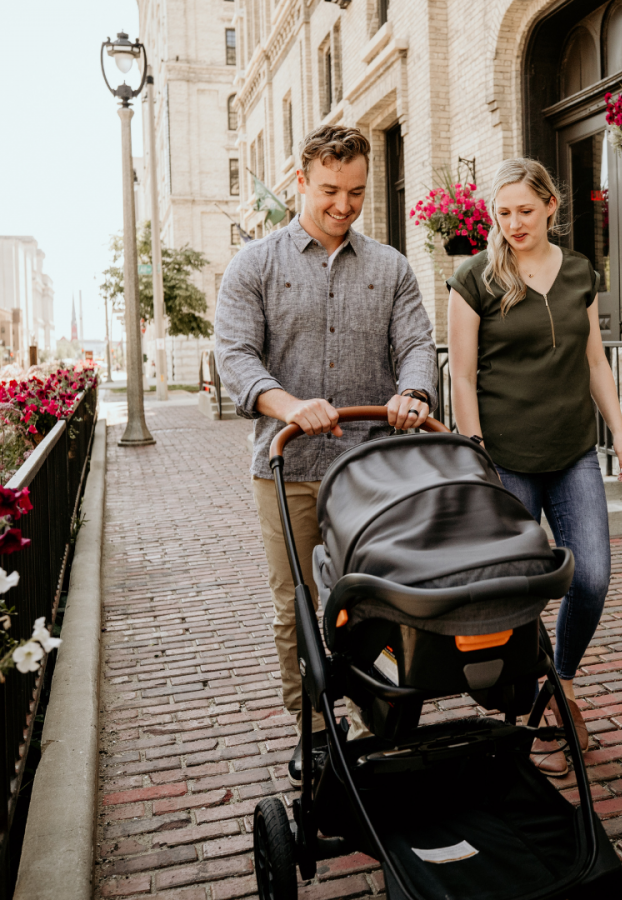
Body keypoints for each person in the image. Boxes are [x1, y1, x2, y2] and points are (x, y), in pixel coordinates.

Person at [215, 125, 437, 786]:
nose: (345, 204)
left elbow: (416, 347)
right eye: (331, 191)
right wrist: (288, 405)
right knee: (298, 603)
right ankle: (313, 723)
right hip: (290, 471)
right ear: (301, 183)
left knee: (378, 598)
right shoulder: (254, 265)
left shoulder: (391, 268)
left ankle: (379, 709)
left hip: (373, 471)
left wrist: (414, 391)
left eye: (358, 192)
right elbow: (235, 358)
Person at [445, 157, 622, 776]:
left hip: (573, 450)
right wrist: (474, 450)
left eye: (525, 211)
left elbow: (595, 364)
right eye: (502, 213)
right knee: (518, 594)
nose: (513, 224)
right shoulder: (474, 277)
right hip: (506, 459)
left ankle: (563, 681)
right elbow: (463, 377)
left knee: (591, 578)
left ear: (552, 206)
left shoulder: (580, 270)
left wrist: (620, 430)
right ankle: (532, 715)